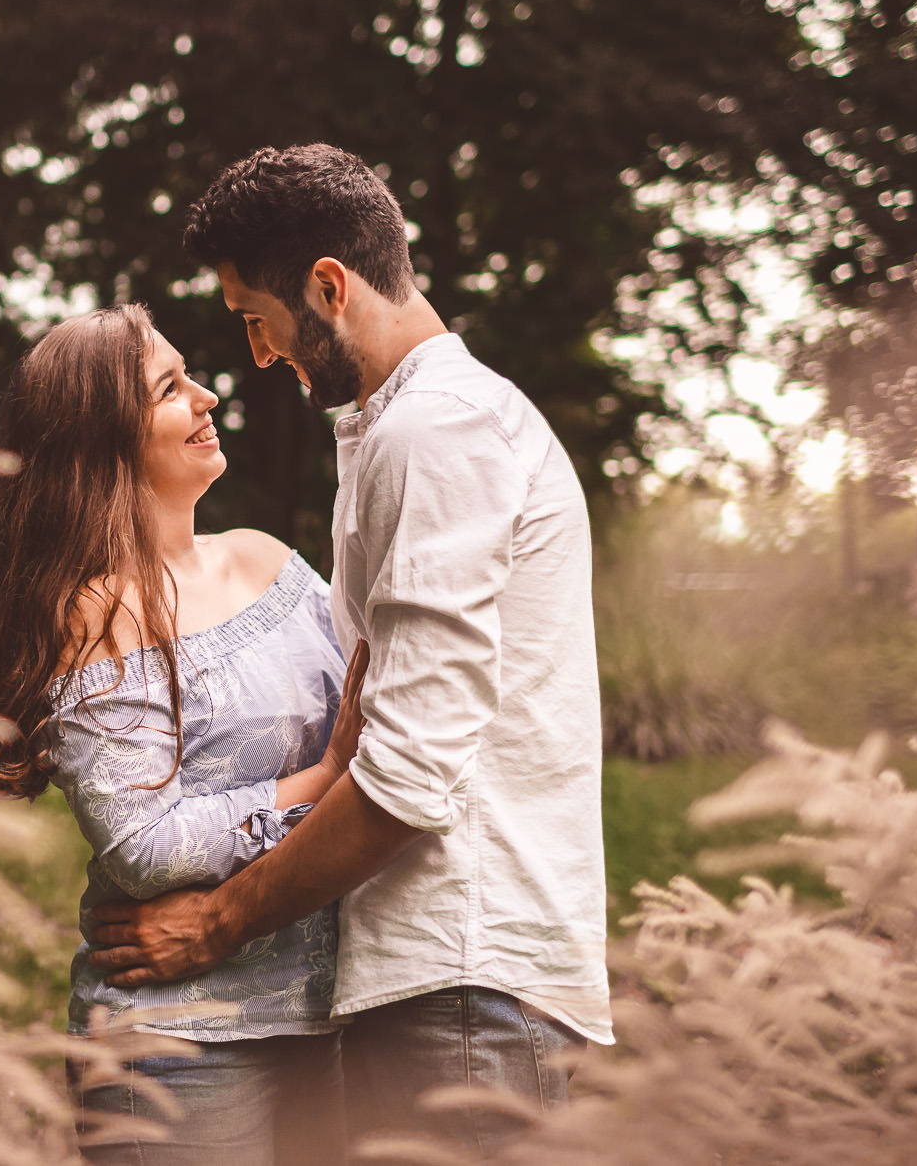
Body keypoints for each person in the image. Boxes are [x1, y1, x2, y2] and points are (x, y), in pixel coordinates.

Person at [83, 144, 614, 1157]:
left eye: (254, 318)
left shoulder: (435, 433)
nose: (254, 355)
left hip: (465, 989)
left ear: (327, 287)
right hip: (442, 991)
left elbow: (410, 776)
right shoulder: (405, 431)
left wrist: (215, 922)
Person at [0, 302, 365, 1166]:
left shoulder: (269, 560)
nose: (209, 396)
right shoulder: (93, 612)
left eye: (192, 375)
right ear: (103, 439)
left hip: (332, 1009)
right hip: (178, 1045)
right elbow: (146, 843)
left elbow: (386, 727)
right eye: (170, 387)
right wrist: (325, 773)